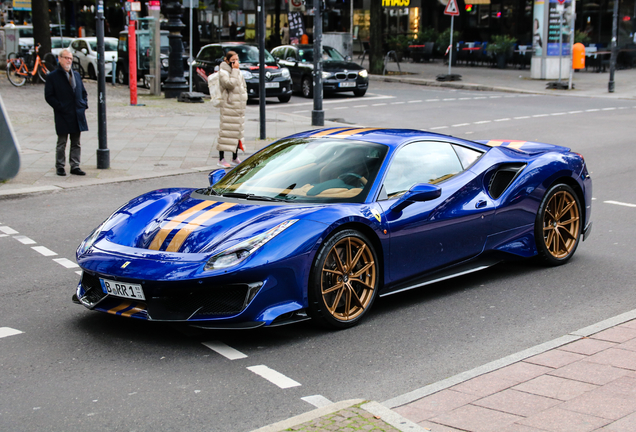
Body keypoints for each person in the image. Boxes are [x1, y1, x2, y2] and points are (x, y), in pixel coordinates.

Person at [44, 48, 88, 176]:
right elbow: (49, 96)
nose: (69, 60)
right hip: (63, 113)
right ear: (60, 59)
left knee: (76, 142)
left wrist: (83, 105)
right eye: (66, 58)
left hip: (77, 113)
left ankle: (75, 165)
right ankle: (60, 166)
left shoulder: (76, 74)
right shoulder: (53, 76)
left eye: (70, 58)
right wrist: (60, 107)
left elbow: (83, 92)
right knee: (62, 142)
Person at [217, 50, 247, 168]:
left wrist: (244, 97)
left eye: (237, 59)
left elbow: (242, 85)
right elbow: (229, 84)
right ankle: (221, 158)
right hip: (229, 106)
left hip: (238, 107)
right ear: (227, 60)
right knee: (226, 133)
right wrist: (234, 70)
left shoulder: (238, 71)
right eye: (233, 60)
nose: (236, 62)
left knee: (237, 132)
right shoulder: (223, 72)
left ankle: (235, 157)